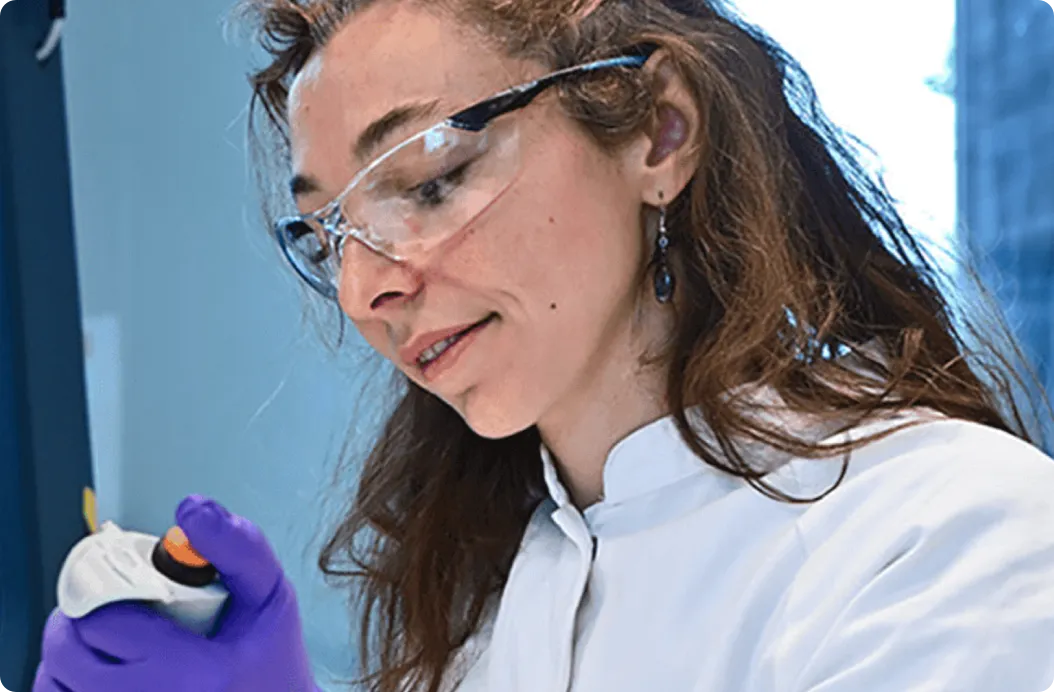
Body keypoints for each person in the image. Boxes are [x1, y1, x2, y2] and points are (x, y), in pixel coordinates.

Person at [32, 0, 1054, 691]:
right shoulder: (484, 588)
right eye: (326, 229)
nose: (362, 283)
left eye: (430, 177)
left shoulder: (942, 541)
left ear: (658, 132)